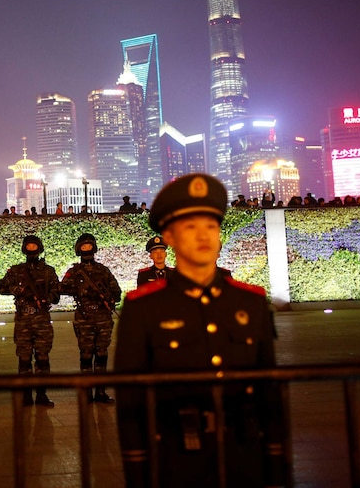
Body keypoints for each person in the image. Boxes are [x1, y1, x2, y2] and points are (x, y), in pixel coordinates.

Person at [114, 173, 285, 488]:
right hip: (177, 458)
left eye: (211, 226)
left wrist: (276, 466)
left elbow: (269, 393)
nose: (204, 236)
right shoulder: (143, 308)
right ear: (170, 237)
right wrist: (138, 470)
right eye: (190, 227)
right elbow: (131, 402)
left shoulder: (251, 301)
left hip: (243, 454)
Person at [0, 235, 60, 407]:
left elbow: (56, 293)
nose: (32, 249)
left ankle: (41, 395)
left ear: (39, 248)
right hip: (24, 319)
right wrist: (17, 290)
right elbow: (2, 286)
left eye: (35, 246)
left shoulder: (48, 271)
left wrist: (48, 298)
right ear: (25, 249)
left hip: (42, 320)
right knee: (24, 359)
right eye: (29, 246)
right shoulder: (17, 271)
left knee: (42, 357)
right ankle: (26, 395)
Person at [59, 233, 121, 403]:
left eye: (89, 246)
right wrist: (83, 291)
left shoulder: (103, 270)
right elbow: (62, 288)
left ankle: (100, 391)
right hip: (84, 317)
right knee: (86, 354)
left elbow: (117, 293)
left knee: (101, 354)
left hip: (102, 317)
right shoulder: (74, 272)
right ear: (79, 249)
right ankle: (86, 392)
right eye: (83, 246)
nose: (87, 249)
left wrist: (107, 297)